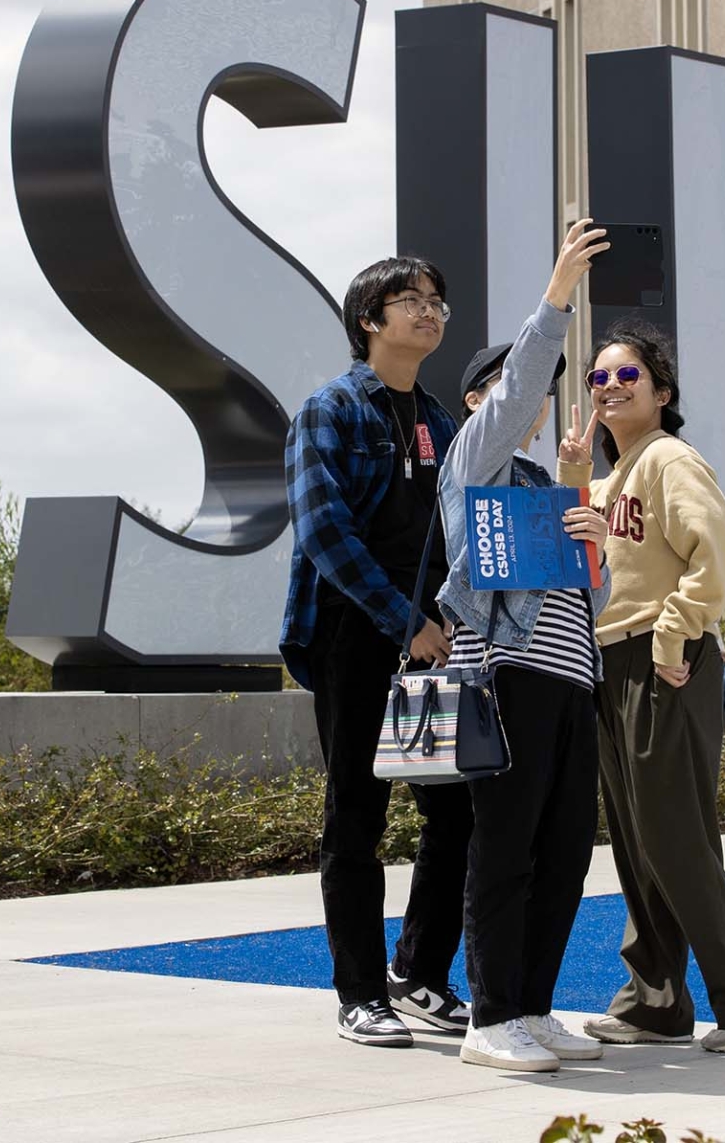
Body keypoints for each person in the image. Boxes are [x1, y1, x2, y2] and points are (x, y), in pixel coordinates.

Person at [560, 322, 725, 1054]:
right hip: (613, 661)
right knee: (638, 841)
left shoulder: (669, 459)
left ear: (662, 394)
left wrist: (675, 635)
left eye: (626, 376)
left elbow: (716, 555)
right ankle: (654, 999)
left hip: (663, 660)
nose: (609, 388)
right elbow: (593, 567)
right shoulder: (612, 476)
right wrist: (574, 475)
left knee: (672, 834)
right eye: (599, 379)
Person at [280, 257, 474, 1048]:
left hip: (434, 636)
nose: (429, 313)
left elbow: (462, 529)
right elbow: (325, 532)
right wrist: (405, 622)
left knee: (455, 808)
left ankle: (421, 974)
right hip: (354, 631)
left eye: (437, 301)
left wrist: (450, 620)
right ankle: (359, 991)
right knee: (356, 815)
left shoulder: (440, 418)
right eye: (410, 301)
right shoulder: (329, 409)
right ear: (369, 318)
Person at [434, 219, 613, 1073]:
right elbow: (512, 397)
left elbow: (587, 596)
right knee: (503, 847)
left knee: (567, 846)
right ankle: (489, 1014)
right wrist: (555, 299)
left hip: (572, 681)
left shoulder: (541, 485)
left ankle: (533, 1004)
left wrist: (590, 524)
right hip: (505, 677)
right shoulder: (475, 457)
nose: (534, 400)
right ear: (481, 400)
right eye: (515, 389)